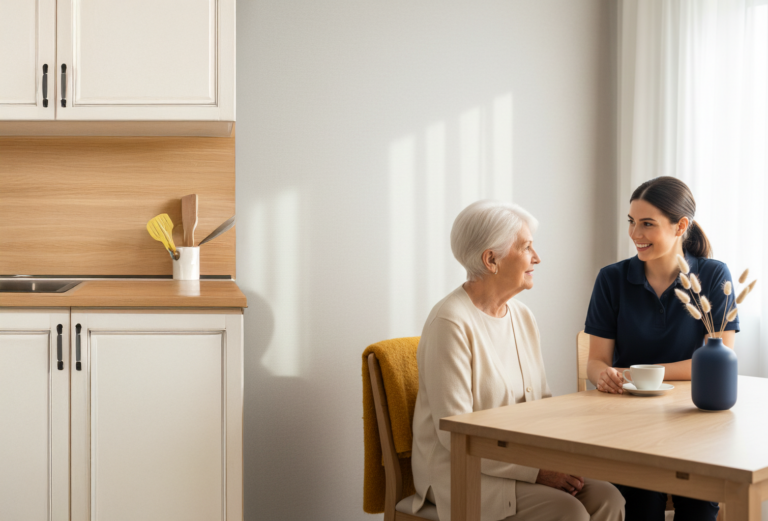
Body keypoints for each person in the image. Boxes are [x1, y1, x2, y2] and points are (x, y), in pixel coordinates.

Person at [408, 200, 625, 521]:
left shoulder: (522, 316)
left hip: (519, 460)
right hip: (462, 471)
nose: (537, 258)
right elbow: (454, 434)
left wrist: (561, 456)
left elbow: (540, 405)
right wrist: (536, 471)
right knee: (567, 511)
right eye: (526, 248)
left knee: (609, 497)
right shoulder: (450, 322)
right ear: (491, 259)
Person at [585, 176, 738, 521]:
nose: (635, 234)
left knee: (698, 511)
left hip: (695, 420)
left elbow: (720, 362)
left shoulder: (714, 276)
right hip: (628, 423)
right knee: (640, 508)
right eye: (632, 222)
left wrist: (639, 375)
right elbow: (595, 361)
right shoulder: (612, 279)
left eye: (647, 224)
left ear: (680, 225)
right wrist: (604, 375)